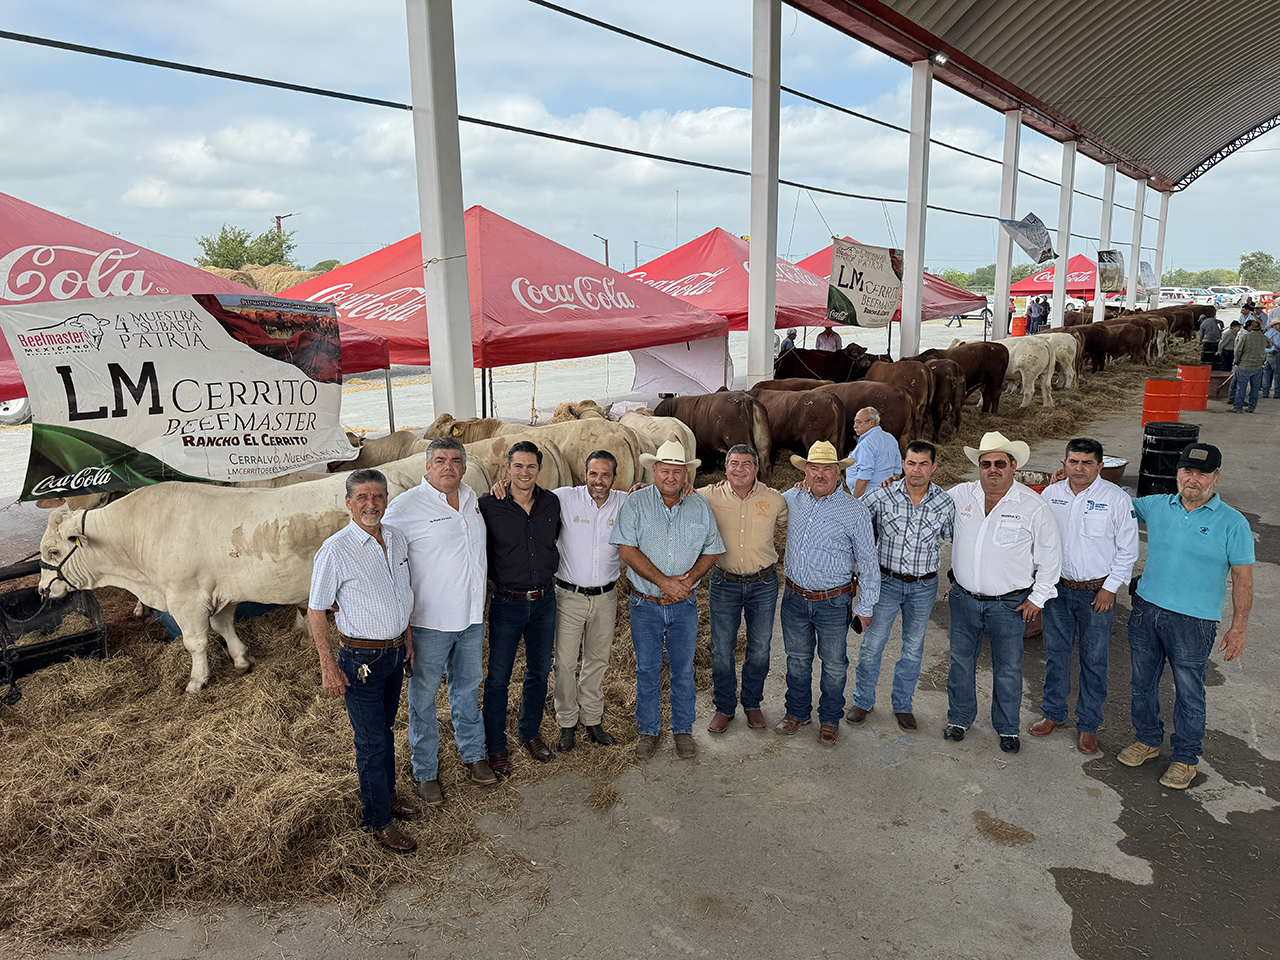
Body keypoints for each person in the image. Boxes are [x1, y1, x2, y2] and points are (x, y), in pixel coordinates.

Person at [1120, 443, 1253, 790]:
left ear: (1216, 478)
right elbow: (1111, 507)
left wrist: (1238, 627)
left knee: (1189, 691)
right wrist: (1067, 479)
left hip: (1194, 622)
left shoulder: (1233, 523)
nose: (1193, 479)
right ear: (1177, 473)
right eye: (1187, 471)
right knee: (1142, 684)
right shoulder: (1157, 506)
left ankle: (1185, 758)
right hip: (1147, 609)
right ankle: (1147, 740)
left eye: (1202, 473)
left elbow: (1243, 577)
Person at [382, 436, 497, 808]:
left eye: (456, 460)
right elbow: (384, 556)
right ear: (427, 467)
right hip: (428, 623)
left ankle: (473, 753)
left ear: (465, 466)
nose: (449, 466)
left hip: (470, 617)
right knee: (424, 698)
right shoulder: (405, 508)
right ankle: (425, 771)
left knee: (466, 688)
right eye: (441, 460)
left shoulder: (471, 499)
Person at [308, 469, 419, 853]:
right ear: (348, 503)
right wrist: (328, 664)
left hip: (392, 652)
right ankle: (378, 821)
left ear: (387, 500)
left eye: (378, 497)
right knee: (370, 741)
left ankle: (385, 798)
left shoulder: (397, 539)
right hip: (360, 659)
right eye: (363, 498)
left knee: (384, 730)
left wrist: (406, 636)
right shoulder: (336, 549)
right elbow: (316, 610)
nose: (371, 505)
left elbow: (402, 592)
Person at [944, 431, 1061, 754]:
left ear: (1013, 466)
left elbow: (1051, 558)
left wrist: (1038, 599)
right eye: (985, 464)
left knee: (1008, 668)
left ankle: (1007, 727)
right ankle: (959, 718)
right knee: (960, 663)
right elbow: (923, 500)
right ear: (978, 467)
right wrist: (893, 484)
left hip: (1009, 604)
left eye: (999, 463)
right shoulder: (960, 496)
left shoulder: (1033, 506)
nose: (992, 469)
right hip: (964, 599)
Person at [611, 440, 724, 761]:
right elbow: (626, 550)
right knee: (647, 669)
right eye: (665, 470)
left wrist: (687, 581)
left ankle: (682, 730)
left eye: (677, 471)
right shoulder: (635, 504)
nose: (671, 476)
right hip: (645, 604)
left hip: (684, 605)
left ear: (686, 473)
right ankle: (648, 731)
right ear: (654, 470)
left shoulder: (699, 505)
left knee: (683, 670)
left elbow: (712, 549)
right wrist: (664, 583)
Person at [1033, 439, 1138, 755]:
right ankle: (1054, 714)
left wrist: (1110, 588)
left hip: (1096, 595)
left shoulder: (1116, 499)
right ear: (1064, 463)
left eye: (1087, 462)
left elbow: (1128, 549)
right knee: (1056, 654)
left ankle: (1088, 725)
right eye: (1073, 461)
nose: (1079, 468)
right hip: (1058, 591)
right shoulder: (1052, 494)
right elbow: (1041, 538)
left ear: (1100, 466)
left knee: (1094, 660)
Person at [776, 441, 880, 746]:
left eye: (827, 468)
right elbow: (757, 501)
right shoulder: (792, 498)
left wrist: (867, 606)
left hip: (834, 601)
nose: (820, 474)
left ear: (839, 473)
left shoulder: (855, 510)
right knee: (796, 659)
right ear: (805, 471)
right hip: (794, 597)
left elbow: (868, 563)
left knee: (834, 663)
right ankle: (797, 712)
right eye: (814, 468)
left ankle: (830, 718)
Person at [849, 440, 954, 731]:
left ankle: (902, 705)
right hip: (887, 582)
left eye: (923, 464)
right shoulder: (881, 497)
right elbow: (849, 513)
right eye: (911, 463)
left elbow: (956, 536)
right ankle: (862, 701)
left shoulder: (945, 502)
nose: (916, 470)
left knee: (913, 647)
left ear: (934, 467)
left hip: (924, 585)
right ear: (903, 465)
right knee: (872, 645)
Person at [477, 441, 562, 778]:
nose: (524, 472)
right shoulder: (488, 505)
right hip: (506, 602)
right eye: (518, 466)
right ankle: (495, 746)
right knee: (498, 678)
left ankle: (529, 733)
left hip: (544, 601)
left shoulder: (552, 503)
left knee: (539, 673)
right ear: (506, 469)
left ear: (539, 470)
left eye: (531, 467)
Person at [699, 444, 788, 734]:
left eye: (746, 464)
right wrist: (641, 487)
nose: (740, 469)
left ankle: (752, 702)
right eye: (734, 463)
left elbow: (798, 516)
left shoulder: (775, 499)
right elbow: (674, 495)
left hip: (763, 583)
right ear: (725, 468)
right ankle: (724, 706)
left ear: (757, 468)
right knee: (722, 649)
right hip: (724, 582)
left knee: (760, 648)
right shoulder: (708, 495)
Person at [549, 451, 627, 752]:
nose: (599, 481)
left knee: (597, 661)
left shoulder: (624, 502)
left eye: (605, 475)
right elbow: (528, 495)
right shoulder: (564, 499)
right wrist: (503, 487)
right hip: (569, 596)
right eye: (594, 474)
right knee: (565, 663)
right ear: (585, 475)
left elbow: (658, 495)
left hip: (607, 596)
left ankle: (592, 718)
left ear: (614, 478)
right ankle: (567, 721)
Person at [845, 406, 900, 497]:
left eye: (859, 422)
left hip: (869, 497)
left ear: (871, 423)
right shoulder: (890, 438)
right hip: (888, 494)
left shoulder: (866, 444)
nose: (854, 426)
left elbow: (864, 477)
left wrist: (855, 502)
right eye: (855, 422)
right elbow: (897, 471)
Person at [1231, 317, 1267, 413]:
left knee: (1241, 387)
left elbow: (1238, 351)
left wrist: (1236, 361)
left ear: (1251, 328)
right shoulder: (1263, 337)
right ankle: (1252, 407)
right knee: (1255, 388)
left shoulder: (1245, 337)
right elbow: (1270, 344)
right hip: (1258, 366)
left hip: (1244, 365)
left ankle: (1238, 408)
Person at [1261, 319, 1280, 398]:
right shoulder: (1277, 334)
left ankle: (1265, 393)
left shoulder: (1267, 333)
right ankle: (1277, 393)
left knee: (1266, 374)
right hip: (1274, 354)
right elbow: (1278, 344)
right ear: (1274, 326)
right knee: (1277, 374)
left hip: (1266, 354)